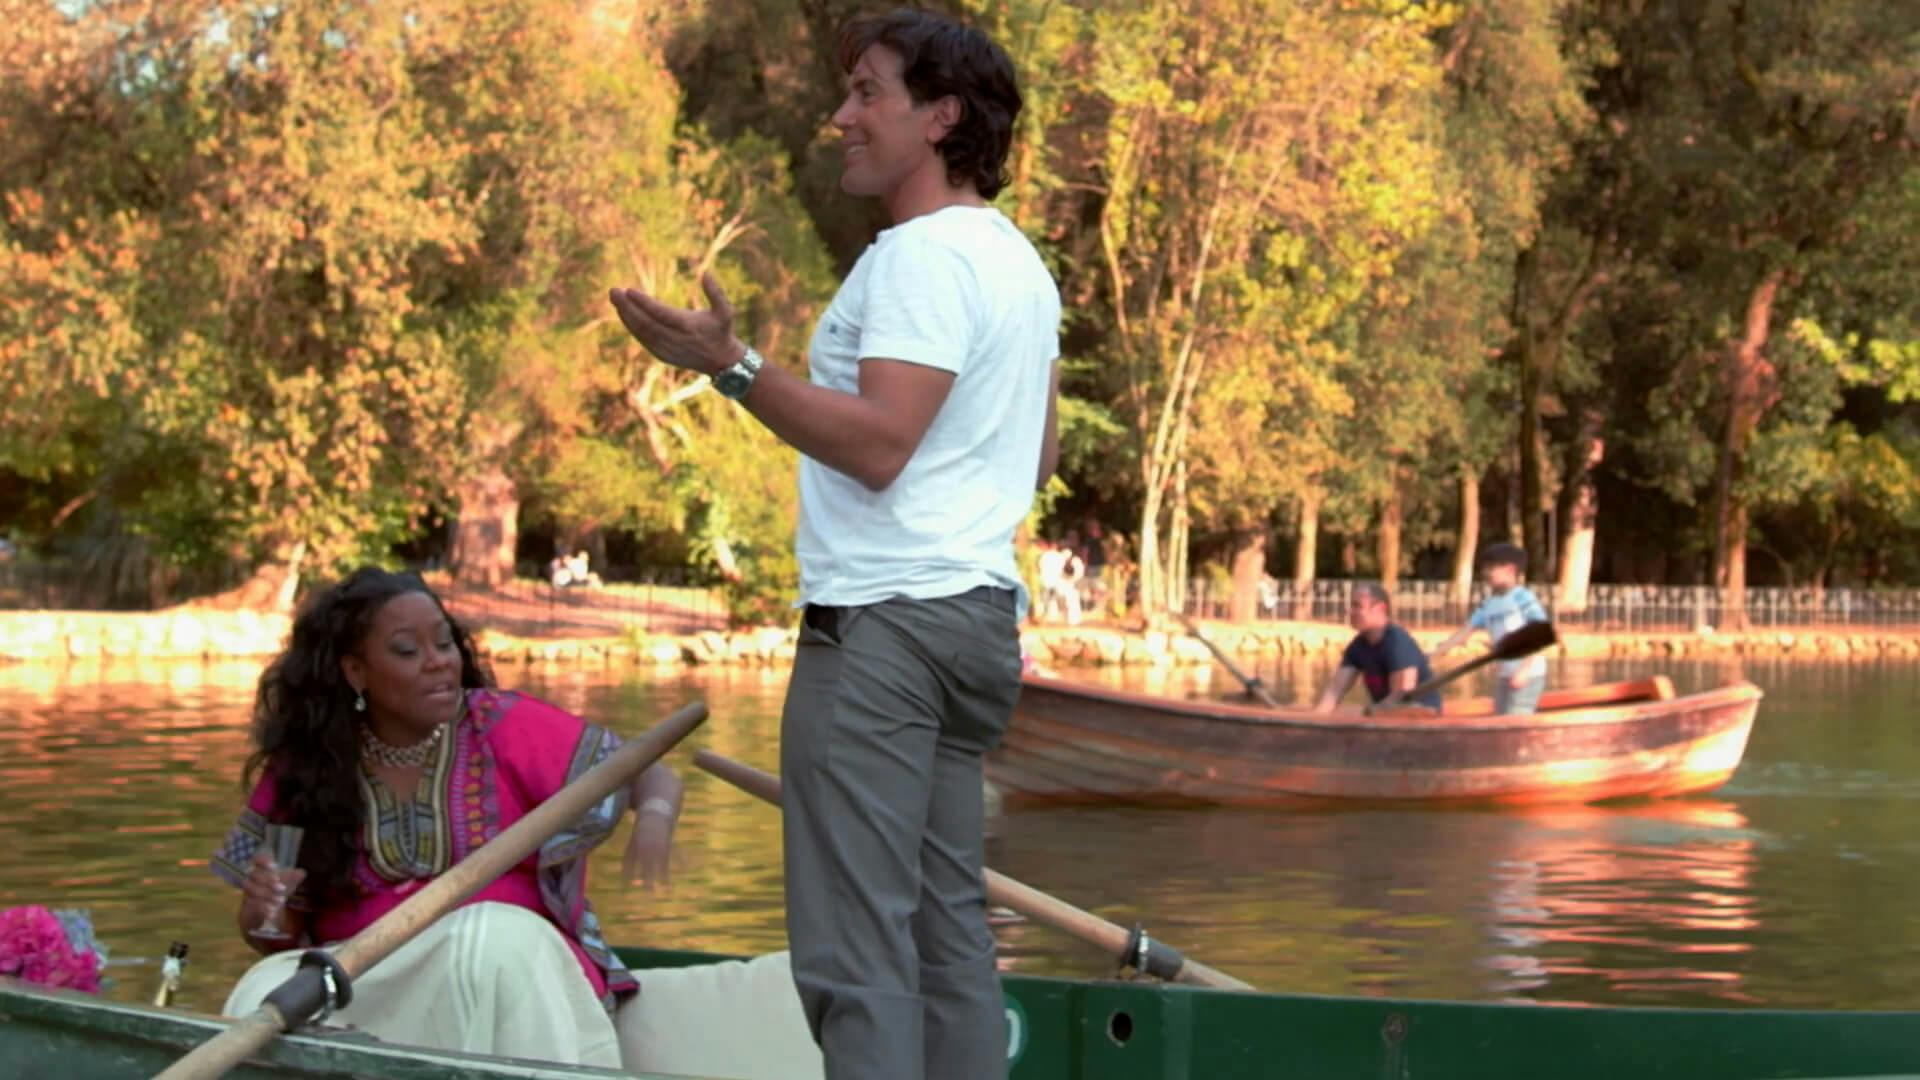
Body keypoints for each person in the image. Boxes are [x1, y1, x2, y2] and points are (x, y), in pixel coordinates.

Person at [606, 11, 1055, 1079]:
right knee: (946, 935)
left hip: (886, 642)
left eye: (867, 93)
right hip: (974, 628)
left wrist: (734, 368)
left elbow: (882, 445)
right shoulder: (1017, 265)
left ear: (941, 116)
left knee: (856, 956)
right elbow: (1030, 462)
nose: (841, 116)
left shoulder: (919, 258)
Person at [209, 568, 688, 1066]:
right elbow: (274, 934)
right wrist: (262, 910)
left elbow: (648, 771)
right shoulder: (308, 765)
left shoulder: (500, 726)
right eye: (407, 651)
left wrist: (653, 817)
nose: (438, 663)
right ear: (355, 671)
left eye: (444, 644)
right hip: (368, 984)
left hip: (506, 973)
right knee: (263, 987)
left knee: (490, 937)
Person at [1432, 542, 1551, 714]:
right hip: (1505, 674)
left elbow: (1539, 633)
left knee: (1515, 720)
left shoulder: (1523, 598)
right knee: (1500, 715)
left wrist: (1524, 670)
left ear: (1510, 570)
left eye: (1491, 568)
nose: (1485, 573)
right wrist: (1434, 654)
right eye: (1485, 568)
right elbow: (1465, 632)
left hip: (1528, 674)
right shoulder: (1488, 604)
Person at [1315, 582, 1441, 713]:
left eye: (1357, 606)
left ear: (1380, 608)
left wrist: (1369, 713)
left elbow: (1401, 698)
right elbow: (1334, 692)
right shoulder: (1357, 647)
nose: (1350, 611)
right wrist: (1317, 717)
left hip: (1420, 714)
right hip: (1383, 715)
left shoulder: (1398, 642)